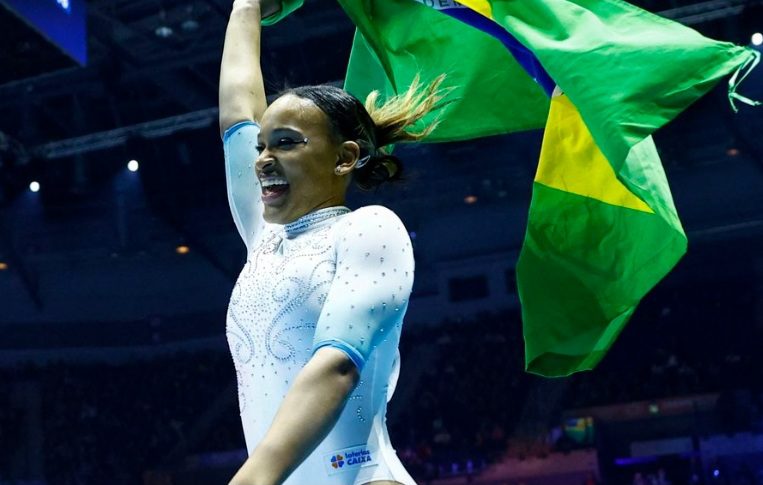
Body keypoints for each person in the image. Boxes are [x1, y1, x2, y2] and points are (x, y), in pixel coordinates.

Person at [219, 0, 445, 484]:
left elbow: (336, 366)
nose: (262, 159)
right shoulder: (263, 237)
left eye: (286, 142)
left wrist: (253, 479)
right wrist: (247, 7)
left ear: (344, 158)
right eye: (261, 146)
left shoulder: (369, 230)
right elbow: (237, 110)